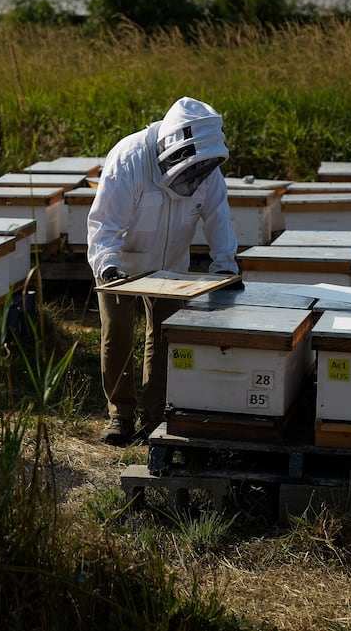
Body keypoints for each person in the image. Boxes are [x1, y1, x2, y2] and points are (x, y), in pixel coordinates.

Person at [86, 97, 239, 446]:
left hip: (171, 265)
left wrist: (226, 265)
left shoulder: (207, 171)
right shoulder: (129, 159)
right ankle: (120, 415)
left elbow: (219, 219)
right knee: (118, 335)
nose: (197, 177)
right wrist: (108, 267)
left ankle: (156, 413)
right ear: (174, 150)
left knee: (166, 335)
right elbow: (104, 225)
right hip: (119, 262)